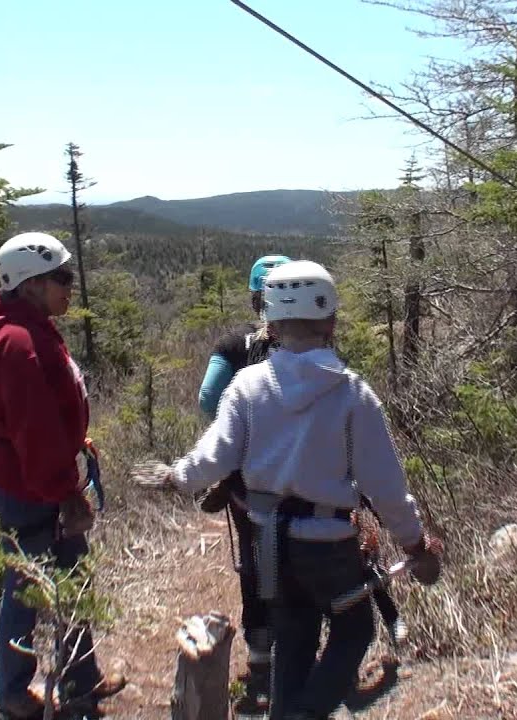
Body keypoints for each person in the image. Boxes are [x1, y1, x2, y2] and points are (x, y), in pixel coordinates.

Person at [140, 260, 444, 720]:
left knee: (294, 633)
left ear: (272, 324)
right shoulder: (351, 394)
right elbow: (385, 486)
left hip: (267, 541)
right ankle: (307, 713)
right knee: (354, 630)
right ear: (331, 321)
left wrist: (176, 476)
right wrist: (415, 543)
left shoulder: (246, 386)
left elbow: (215, 456)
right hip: (328, 544)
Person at [0, 231, 126, 719]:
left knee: (70, 576)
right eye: (62, 277)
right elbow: (32, 432)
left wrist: (73, 442)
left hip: (36, 477)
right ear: (32, 283)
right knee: (28, 586)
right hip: (29, 486)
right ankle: (15, 694)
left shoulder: (30, 328)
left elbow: (42, 414)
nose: (69, 287)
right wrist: (67, 494)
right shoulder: (17, 341)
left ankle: (80, 676)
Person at [193, 253, 290, 705]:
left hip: (249, 475)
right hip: (305, 469)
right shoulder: (314, 345)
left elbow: (209, 396)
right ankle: (302, 647)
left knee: (254, 559)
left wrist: (232, 435)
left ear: (255, 298)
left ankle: (259, 653)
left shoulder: (234, 346)